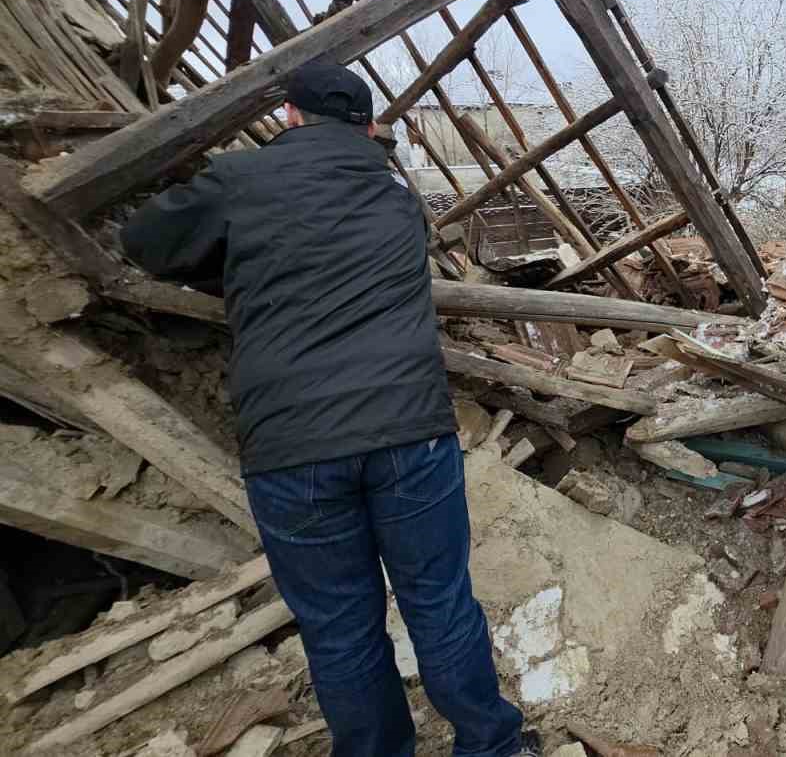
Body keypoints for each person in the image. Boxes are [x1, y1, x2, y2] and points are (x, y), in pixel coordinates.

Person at [121, 63, 537, 757]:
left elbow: (143, 243)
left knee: (340, 626)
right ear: (366, 127)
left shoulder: (237, 181)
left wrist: (233, 270)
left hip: (293, 446)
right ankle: (492, 747)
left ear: (288, 116)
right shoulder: (399, 199)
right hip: (411, 436)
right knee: (440, 601)